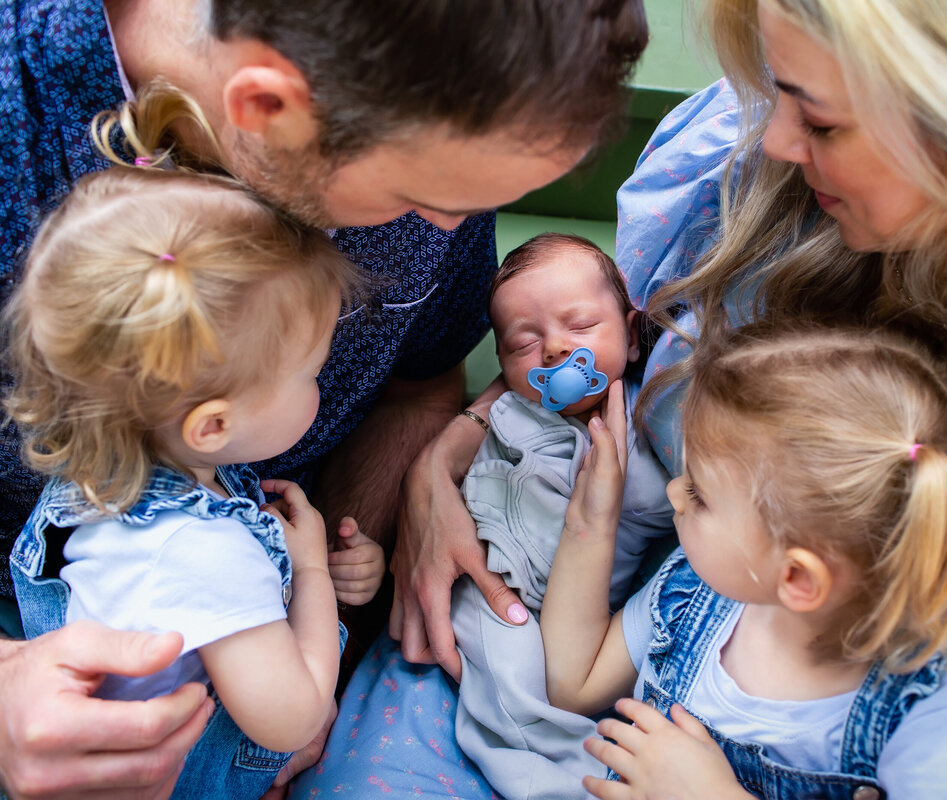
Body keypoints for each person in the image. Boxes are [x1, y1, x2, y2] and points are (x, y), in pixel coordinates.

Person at [398, 0, 947, 795]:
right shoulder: (759, 154)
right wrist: (450, 450)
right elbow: (580, 362)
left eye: (820, 123)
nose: (776, 136)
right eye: (777, 91)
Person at [0, 0, 648, 795]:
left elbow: (420, 383)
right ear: (267, 109)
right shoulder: (16, 103)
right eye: (419, 194)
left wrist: (411, 491)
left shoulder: (435, 137)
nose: (448, 227)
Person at [5, 163, 388, 798]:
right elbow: (292, 718)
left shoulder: (109, 472)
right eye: (310, 374)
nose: (320, 385)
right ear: (212, 426)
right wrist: (314, 573)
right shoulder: (206, 554)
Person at [542, 322, 947, 799]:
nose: (674, 493)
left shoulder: (944, 713)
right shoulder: (699, 592)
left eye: (700, 494)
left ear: (796, 577)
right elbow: (576, 683)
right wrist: (591, 521)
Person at [296, 233, 675, 799]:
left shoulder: (645, 430)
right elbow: (446, 502)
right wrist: (378, 556)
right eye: (523, 343)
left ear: (633, 330)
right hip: (470, 582)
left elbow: (657, 508)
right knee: (449, 625)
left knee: (517, 670)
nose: (552, 351)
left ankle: (559, 770)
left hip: (546, 610)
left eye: (580, 326)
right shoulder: (505, 412)